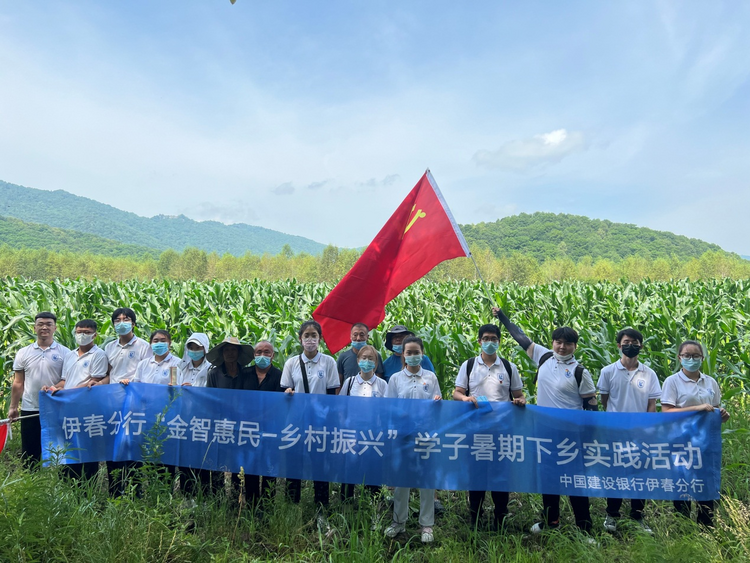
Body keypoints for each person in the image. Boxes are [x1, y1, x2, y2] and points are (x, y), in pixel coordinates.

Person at [493, 307, 597, 537]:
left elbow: (591, 405)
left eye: (567, 343)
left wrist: (588, 438)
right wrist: (502, 317)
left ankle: (585, 528)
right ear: (552, 343)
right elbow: (521, 338)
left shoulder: (580, 371)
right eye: (558, 342)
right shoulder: (544, 356)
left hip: (571, 435)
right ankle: (551, 521)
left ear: (574, 346)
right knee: (549, 479)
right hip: (545, 432)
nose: (562, 347)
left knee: (574, 482)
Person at [452, 323, 526, 530]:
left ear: (499, 342)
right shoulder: (468, 366)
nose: (490, 342)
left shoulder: (509, 367)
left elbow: (519, 395)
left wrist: (521, 401)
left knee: (500, 475)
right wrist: (466, 398)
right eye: (486, 338)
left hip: (501, 432)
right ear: (479, 341)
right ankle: (475, 517)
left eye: (494, 339)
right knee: (476, 475)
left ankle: (500, 517)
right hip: (475, 430)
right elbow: (456, 392)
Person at [597, 328, 661, 534]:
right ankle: (612, 514)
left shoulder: (649, 373)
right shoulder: (608, 371)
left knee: (639, 475)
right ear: (619, 345)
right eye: (626, 342)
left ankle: (637, 516)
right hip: (615, 432)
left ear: (641, 346)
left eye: (635, 342)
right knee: (616, 473)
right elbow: (605, 401)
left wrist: (648, 428)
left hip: (640, 433)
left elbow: (652, 404)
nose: (630, 345)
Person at [661, 340, 730, 527]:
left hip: (705, 442)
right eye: (687, 355)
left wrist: (722, 414)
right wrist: (697, 408)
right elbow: (666, 412)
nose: (691, 359)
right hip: (681, 441)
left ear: (702, 358)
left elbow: (714, 411)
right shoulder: (672, 382)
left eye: (696, 356)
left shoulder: (711, 382)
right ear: (679, 358)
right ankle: (683, 526)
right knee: (683, 485)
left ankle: (706, 527)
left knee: (704, 484)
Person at [384, 335, 442, 544]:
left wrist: (437, 401)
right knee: (402, 482)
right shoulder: (395, 379)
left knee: (426, 480)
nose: (413, 356)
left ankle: (426, 524)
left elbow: (437, 403)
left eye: (416, 352)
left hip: (425, 435)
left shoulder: (431, 378)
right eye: (409, 353)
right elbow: (389, 407)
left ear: (422, 354)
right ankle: (399, 522)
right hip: (402, 436)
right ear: (403, 355)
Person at [280, 320, 340, 514]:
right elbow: (285, 389)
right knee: (294, 462)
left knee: (319, 464)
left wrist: (328, 419)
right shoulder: (291, 363)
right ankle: (292, 505)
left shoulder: (328, 362)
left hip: (319, 422)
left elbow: (332, 393)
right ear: (300, 339)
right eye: (307, 336)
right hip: (296, 421)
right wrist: (288, 392)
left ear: (320, 339)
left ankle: (321, 506)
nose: (310, 340)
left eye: (314, 336)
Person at [44, 319, 108, 480]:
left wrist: (69, 392)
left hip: (87, 409)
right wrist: (54, 388)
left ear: (94, 335)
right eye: (79, 332)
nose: (82, 335)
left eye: (86, 332)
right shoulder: (70, 355)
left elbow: (94, 382)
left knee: (87, 448)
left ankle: (87, 484)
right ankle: (69, 482)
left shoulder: (99, 355)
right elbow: (65, 381)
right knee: (69, 445)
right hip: (68, 408)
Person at [9, 312, 70, 466]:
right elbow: (18, 382)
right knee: (30, 452)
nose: (44, 327)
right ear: (34, 327)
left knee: (60, 451)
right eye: (40, 324)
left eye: (48, 324)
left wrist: (54, 388)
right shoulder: (23, 353)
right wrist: (13, 407)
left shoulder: (65, 353)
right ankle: (31, 482)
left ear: (55, 328)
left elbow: (66, 381)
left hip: (56, 408)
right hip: (30, 408)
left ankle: (62, 484)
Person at [205, 336, 256, 498]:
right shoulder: (214, 374)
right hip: (221, 424)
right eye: (226, 350)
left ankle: (237, 498)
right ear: (222, 353)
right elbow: (210, 399)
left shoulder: (248, 373)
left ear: (239, 352)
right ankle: (219, 498)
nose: (230, 353)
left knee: (239, 461)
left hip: (243, 424)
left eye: (233, 349)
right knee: (219, 461)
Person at [339, 344, 388, 501]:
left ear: (376, 362)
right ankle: (346, 504)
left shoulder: (382, 385)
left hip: (373, 434)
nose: (367, 361)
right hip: (351, 433)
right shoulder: (350, 382)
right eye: (364, 358)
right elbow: (341, 407)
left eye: (371, 358)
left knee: (373, 471)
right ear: (358, 360)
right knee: (349, 470)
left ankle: (372, 507)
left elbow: (386, 412)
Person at [242, 340, 283, 507]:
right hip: (248, 428)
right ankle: (251, 505)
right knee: (251, 467)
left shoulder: (279, 375)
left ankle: (267, 506)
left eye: (267, 352)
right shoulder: (245, 374)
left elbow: (280, 403)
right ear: (253, 355)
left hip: (270, 429)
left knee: (268, 467)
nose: (262, 356)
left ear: (272, 356)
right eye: (259, 352)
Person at [176, 332, 212, 496]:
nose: (194, 350)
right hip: (183, 419)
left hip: (203, 419)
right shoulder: (180, 367)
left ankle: (204, 497)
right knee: (185, 459)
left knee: (203, 459)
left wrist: (195, 390)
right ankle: (186, 496)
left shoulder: (211, 368)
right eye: (191, 347)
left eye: (198, 347)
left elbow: (212, 393)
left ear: (205, 349)